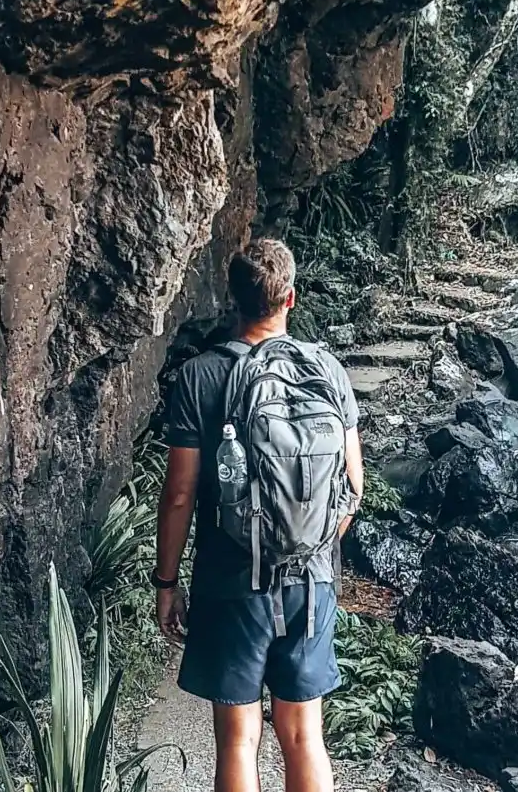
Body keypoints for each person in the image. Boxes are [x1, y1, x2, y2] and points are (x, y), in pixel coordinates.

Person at [153, 238, 363, 792]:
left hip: (231, 578)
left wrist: (167, 583)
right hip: (312, 580)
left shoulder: (199, 377)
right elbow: (353, 487)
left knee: (240, 737)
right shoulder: (329, 372)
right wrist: (304, 539)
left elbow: (179, 493)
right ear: (290, 298)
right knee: (302, 734)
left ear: (233, 299)